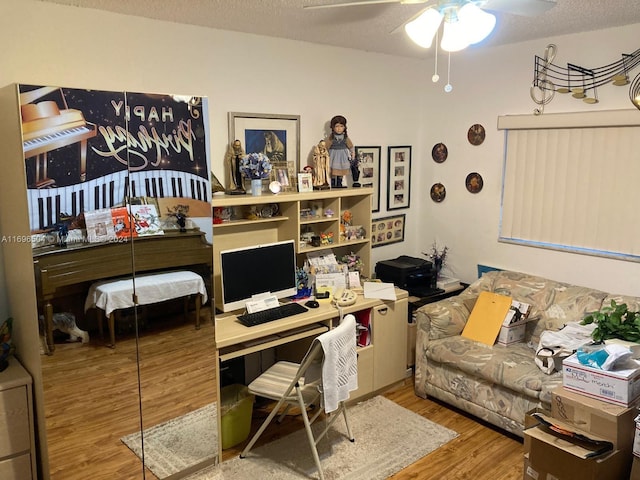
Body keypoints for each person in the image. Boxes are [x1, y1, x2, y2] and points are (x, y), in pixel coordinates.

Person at [324, 115, 355, 188]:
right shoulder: (331, 138)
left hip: (343, 156)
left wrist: (352, 154)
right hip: (333, 156)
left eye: (341, 126)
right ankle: (333, 183)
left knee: (341, 170)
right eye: (337, 126)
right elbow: (326, 147)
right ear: (333, 127)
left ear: (344, 127)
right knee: (334, 170)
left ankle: (339, 183)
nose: (339, 129)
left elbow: (351, 146)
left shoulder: (345, 138)